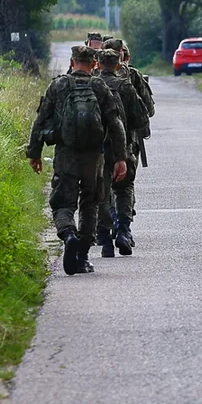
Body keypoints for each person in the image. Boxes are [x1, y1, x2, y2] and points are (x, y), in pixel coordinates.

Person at [27, 45, 128, 275]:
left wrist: (34, 153)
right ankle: (81, 256)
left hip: (66, 154)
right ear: (94, 64)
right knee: (90, 203)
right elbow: (115, 124)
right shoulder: (99, 86)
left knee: (63, 202)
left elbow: (41, 121)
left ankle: (68, 234)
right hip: (94, 157)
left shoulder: (59, 85)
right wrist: (120, 158)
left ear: (72, 63)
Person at [95, 49, 148, 258]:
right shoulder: (125, 86)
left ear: (98, 64)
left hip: (96, 150)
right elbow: (142, 118)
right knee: (124, 188)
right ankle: (124, 231)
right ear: (118, 65)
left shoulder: (93, 85)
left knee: (101, 192)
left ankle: (105, 240)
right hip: (123, 146)